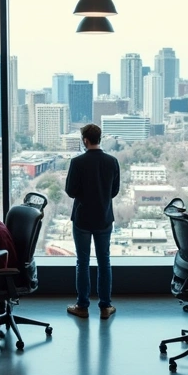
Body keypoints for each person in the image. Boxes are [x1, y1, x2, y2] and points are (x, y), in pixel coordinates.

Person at [65, 124, 120, 320]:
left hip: (82, 218)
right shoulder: (112, 161)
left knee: (83, 262)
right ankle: (105, 306)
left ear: (85, 140)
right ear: (100, 138)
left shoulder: (77, 162)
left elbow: (71, 191)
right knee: (104, 261)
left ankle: (82, 305)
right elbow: (114, 191)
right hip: (104, 217)